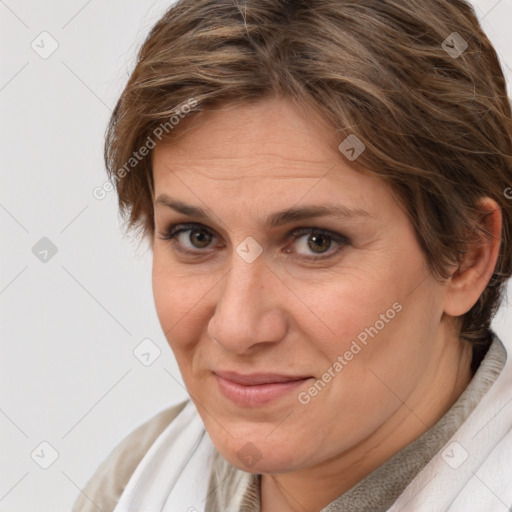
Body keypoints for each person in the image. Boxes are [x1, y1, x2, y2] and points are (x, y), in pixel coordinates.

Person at [73, 0, 512, 510]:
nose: (236, 327)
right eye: (196, 236)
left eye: (315, 242)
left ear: (465, 256)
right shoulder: (139, 479)